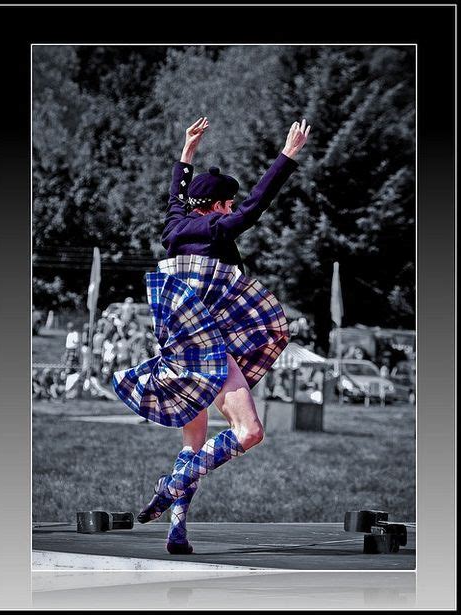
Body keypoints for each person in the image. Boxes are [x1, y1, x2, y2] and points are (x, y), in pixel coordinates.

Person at [113, 115, 311, 554]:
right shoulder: (217, 228)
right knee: (250, 432)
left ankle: (177, 529)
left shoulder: (174, 227)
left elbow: (175, 196)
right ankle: (173, 486)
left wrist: (187, 152)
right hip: (210, 355)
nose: (232, 207)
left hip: (176, 355)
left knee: (194, 441)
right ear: (219, 204)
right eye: (228, 202)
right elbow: (256, 205)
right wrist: (287, 156)